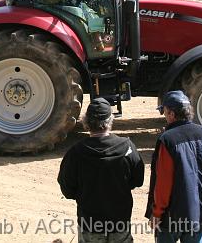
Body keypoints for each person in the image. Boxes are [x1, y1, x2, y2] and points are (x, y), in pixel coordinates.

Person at [58, 98, 144, 242]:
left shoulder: (76, 152)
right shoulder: (127, 147)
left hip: (90, 223)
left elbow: (67, 189)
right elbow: (137, 180)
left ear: (86, 121)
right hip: (119, 222)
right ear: (110, 120)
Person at [145, 91, 202, 243]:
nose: (164, 116)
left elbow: (164, 182)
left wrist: (157, 212)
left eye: (164, 112)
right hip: (199, 213)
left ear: (171, 113)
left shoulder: (168, 139)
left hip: (172, 216)